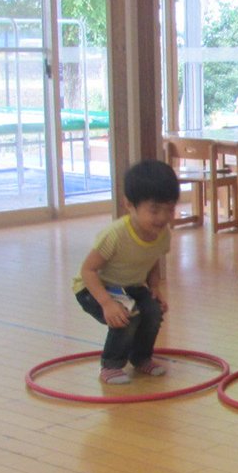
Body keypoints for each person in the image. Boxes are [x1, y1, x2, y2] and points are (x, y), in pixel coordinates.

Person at [73, 159, 180, 385]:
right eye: (154, 210)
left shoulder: (162, 233)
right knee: (126, 314)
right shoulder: (115, 235)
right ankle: (110, 365)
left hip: (130, 287)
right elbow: (88, 270)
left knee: (153, 311)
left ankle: (141, 358)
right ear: (129, 205)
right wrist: (106, 303)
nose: (163, 217)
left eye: (169, 209)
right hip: (93, 288)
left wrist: (155, 288)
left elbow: (152, 259)